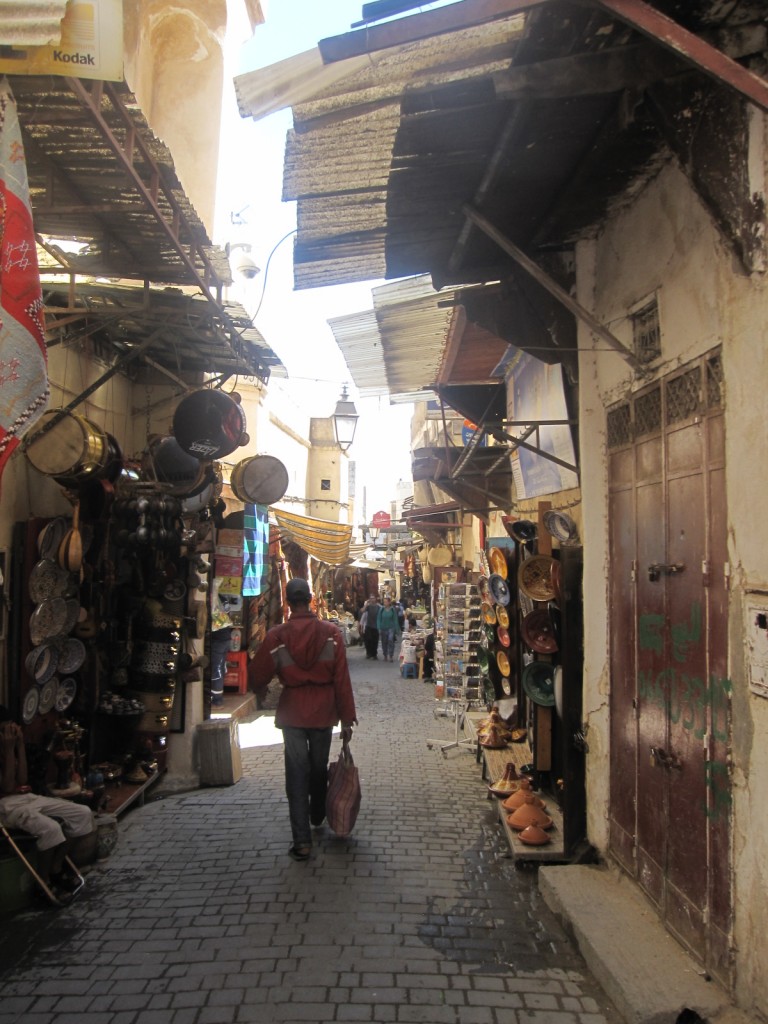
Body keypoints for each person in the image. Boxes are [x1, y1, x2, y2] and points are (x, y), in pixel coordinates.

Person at [247, 578, 357, 862]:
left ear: (287, 602)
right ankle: (318, 813)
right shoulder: (331, 633)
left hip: (293, 710)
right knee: (318, 767)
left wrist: (258, 689)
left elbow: (258, 673)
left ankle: (302, 842)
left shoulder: (277, 636)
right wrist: (347, 718)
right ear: (310, 599)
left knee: (297, 774)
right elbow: (341, 679)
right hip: (323, 711)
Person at [0, 706, 93, 901]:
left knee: (82, 813)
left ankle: (55, 868)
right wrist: (9, 749)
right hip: (4, 806)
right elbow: (7, 786)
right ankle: (42, 883)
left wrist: (18, 746)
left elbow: (23, 779)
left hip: (25, 798)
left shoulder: (11, 745)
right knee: (50, 829)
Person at [377, 595, 401, 662]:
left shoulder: (392, 610)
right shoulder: (381, 609)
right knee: (384, 642)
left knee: (390, 640)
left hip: (391, 628)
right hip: (383, 628)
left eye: (386, 602)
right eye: (384, 602)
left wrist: (397, 629)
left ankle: (391, 655)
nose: (385, 603)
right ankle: (385, 655)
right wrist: (378, 627)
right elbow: (379, 619)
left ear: (389, 602)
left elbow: (395, 619)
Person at [362, 595, 381, 660]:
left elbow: (382, 612)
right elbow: (362, 611)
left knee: (375, 641)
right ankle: (368, 653)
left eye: (373, 598)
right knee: (368, 640)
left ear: (375, 599)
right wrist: (366, 605)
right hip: (368, 626)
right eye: (371, 598)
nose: (372, 599)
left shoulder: (378, 606)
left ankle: (374, 654)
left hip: (376, 626)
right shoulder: (368, 606)